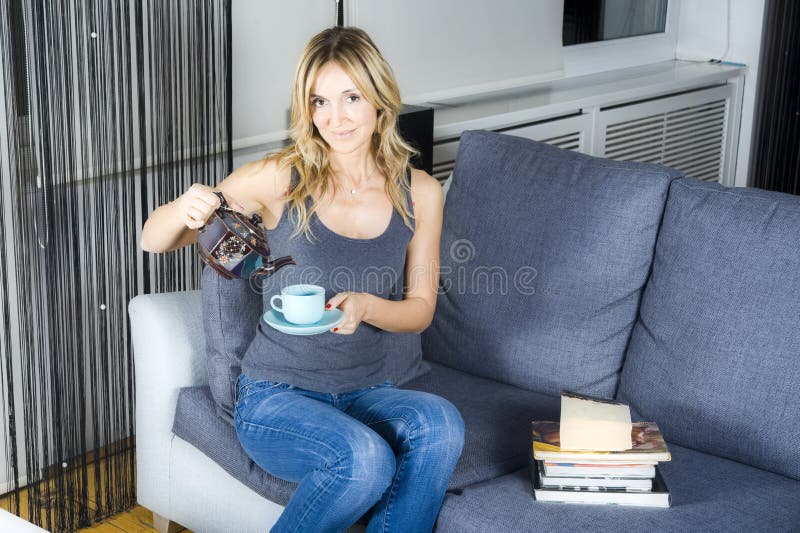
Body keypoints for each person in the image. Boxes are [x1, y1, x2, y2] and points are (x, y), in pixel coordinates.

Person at [140, 27, 465, 533]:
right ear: (307, 109)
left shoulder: (420, 192)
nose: (335, 117)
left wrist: (365, 306)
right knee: (365, 461)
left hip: (367, 389)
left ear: (379, 99)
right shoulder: (279, 179)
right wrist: (186, 206)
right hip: (276, 395)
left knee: (441, 424)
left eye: (351, 97)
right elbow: (155, 240)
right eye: (320, 101)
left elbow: (421, 308)